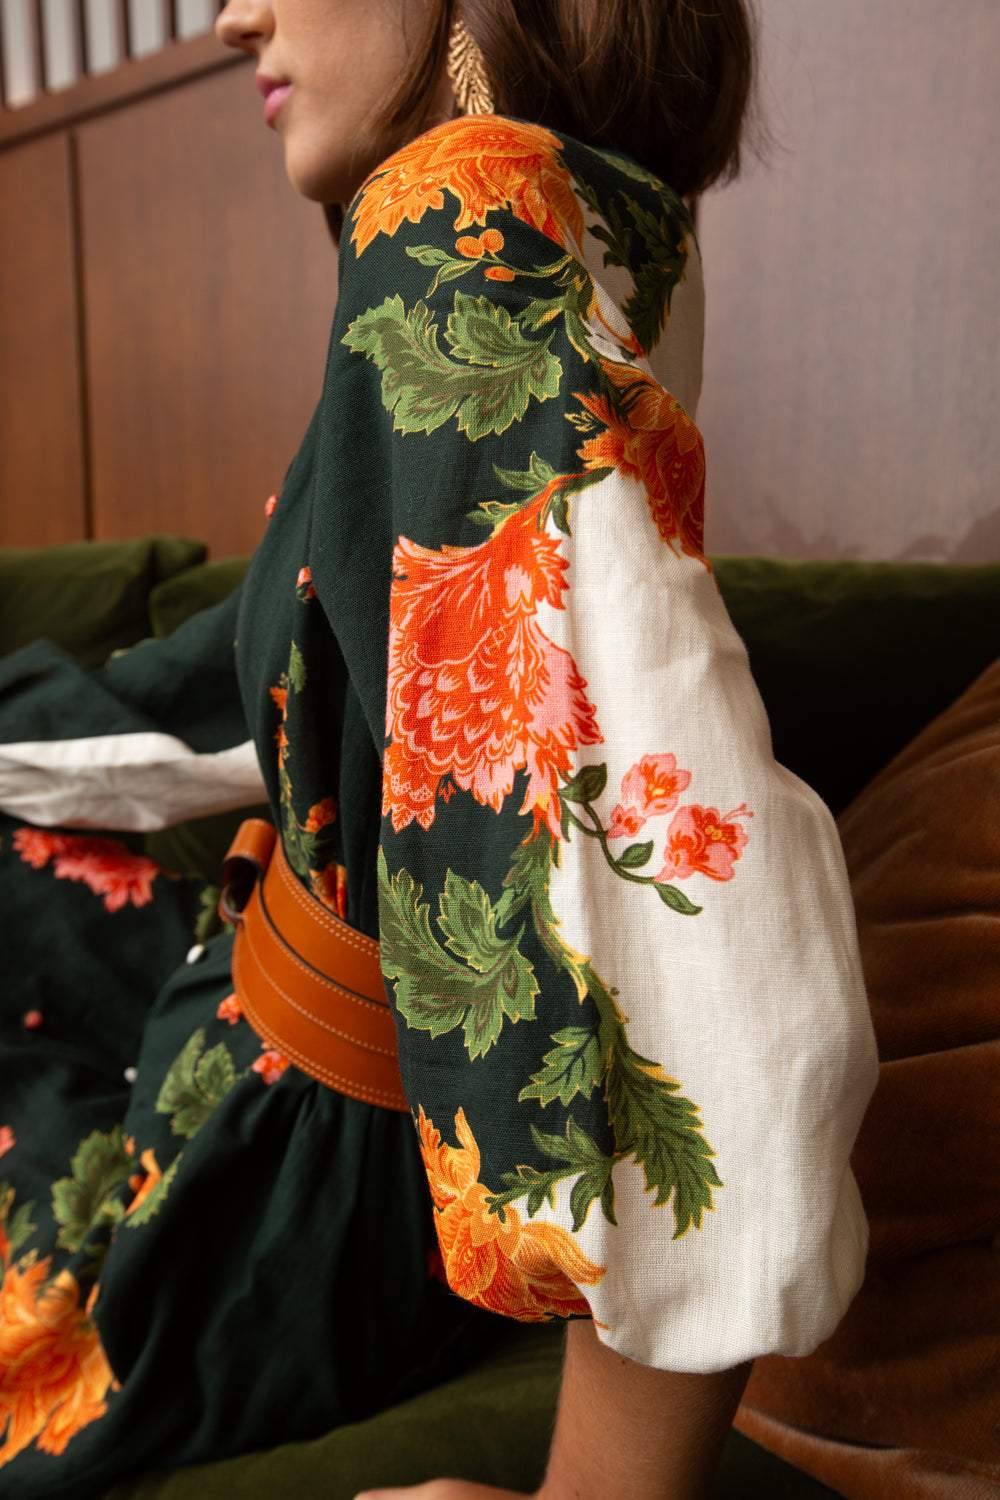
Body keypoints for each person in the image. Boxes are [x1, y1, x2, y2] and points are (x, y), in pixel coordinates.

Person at [0, 2, 882, 1497]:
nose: (231, 15)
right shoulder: (605, 218)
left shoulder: (466, 219)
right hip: (299, 1105)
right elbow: (328, 663)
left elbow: (706, 930)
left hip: (268, 1200)